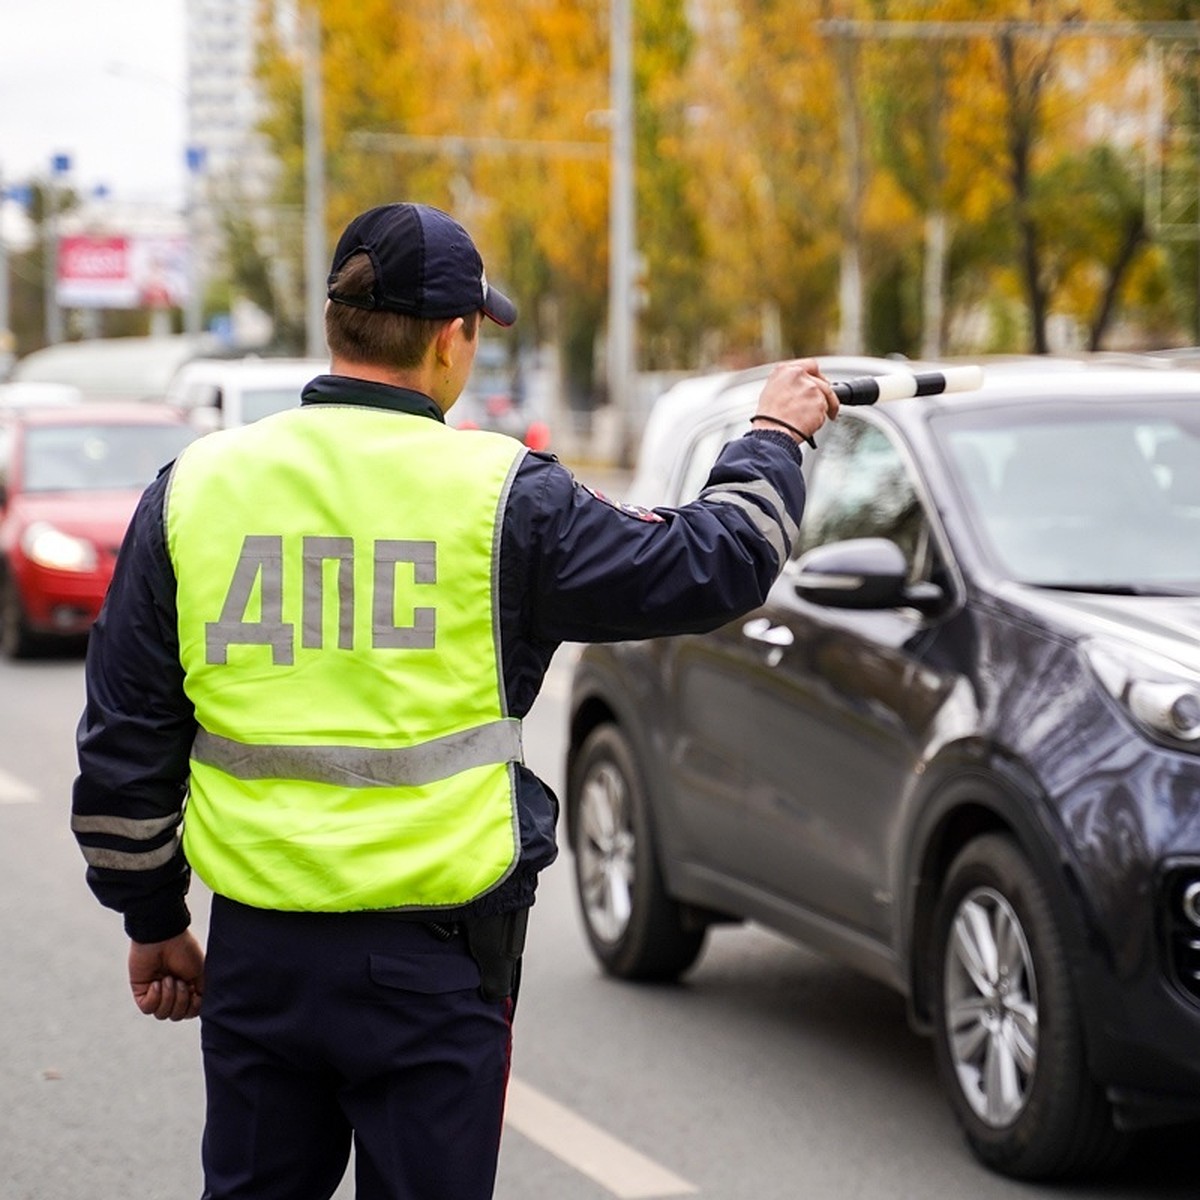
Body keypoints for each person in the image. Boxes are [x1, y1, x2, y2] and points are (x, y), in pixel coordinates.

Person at [72, 200, 838, 1200]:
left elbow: (126, 735)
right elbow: (717, 563)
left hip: (261, 954)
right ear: (452, 337)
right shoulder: (506, 496)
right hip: (434, 970)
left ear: (339, 324)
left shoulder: (197, 485)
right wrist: (775, 434)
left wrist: (154, 918)